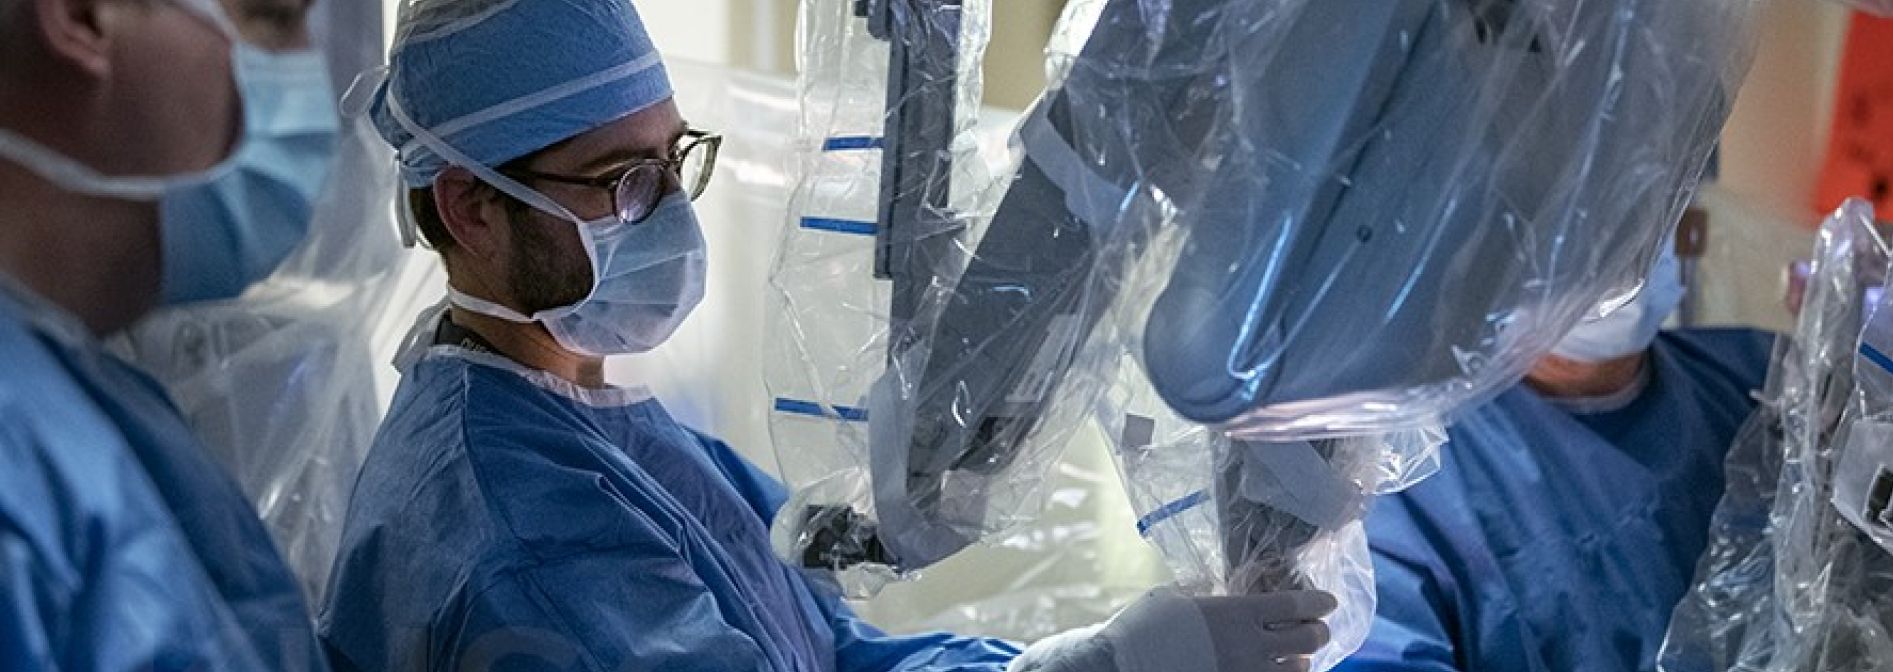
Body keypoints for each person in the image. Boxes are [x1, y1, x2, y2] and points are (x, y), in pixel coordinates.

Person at [316, 1, 1337, 670]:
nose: (671, 210)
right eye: (622, 182)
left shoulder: (594, 423)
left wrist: (1090, 659)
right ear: (471, 209)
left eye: (675, 160)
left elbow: (835, 652)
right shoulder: (520, 534)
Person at [0, 0, 339, 667]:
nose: (311, 77)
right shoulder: (21, 459)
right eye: (271, 17)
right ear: (81, 16)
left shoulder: (91, 403)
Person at [1336, 243, 1775, 671]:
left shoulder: (1761, 382)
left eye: (1640, 213)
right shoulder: (1397, 472)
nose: (1616, 241)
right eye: (1584, 219)